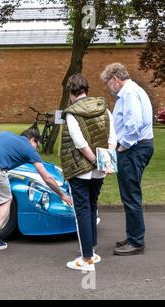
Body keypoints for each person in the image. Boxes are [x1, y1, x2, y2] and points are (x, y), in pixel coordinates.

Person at [60, 73, 117, 271]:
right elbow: (112, 138)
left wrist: (93, 161)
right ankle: (91, 251)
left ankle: (86, 259)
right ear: (87, 90)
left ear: (71, 92)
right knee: (92, 206)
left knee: (82, 210)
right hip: (100, 169)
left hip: (80, 169)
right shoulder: (105, 109)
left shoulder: (71, 113)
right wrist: (104, 163)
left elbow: (79, 144)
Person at [100, 63, 154, 256]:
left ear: (115, 79)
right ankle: (133, 236)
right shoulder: (133, 91)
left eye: (108, 83)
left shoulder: (129, 93)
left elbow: (134, 125)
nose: (109, 88)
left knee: (130, 196)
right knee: (130, 194)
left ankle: (136, 241)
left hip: (133, 148)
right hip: (139, 147)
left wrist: (122, 147)